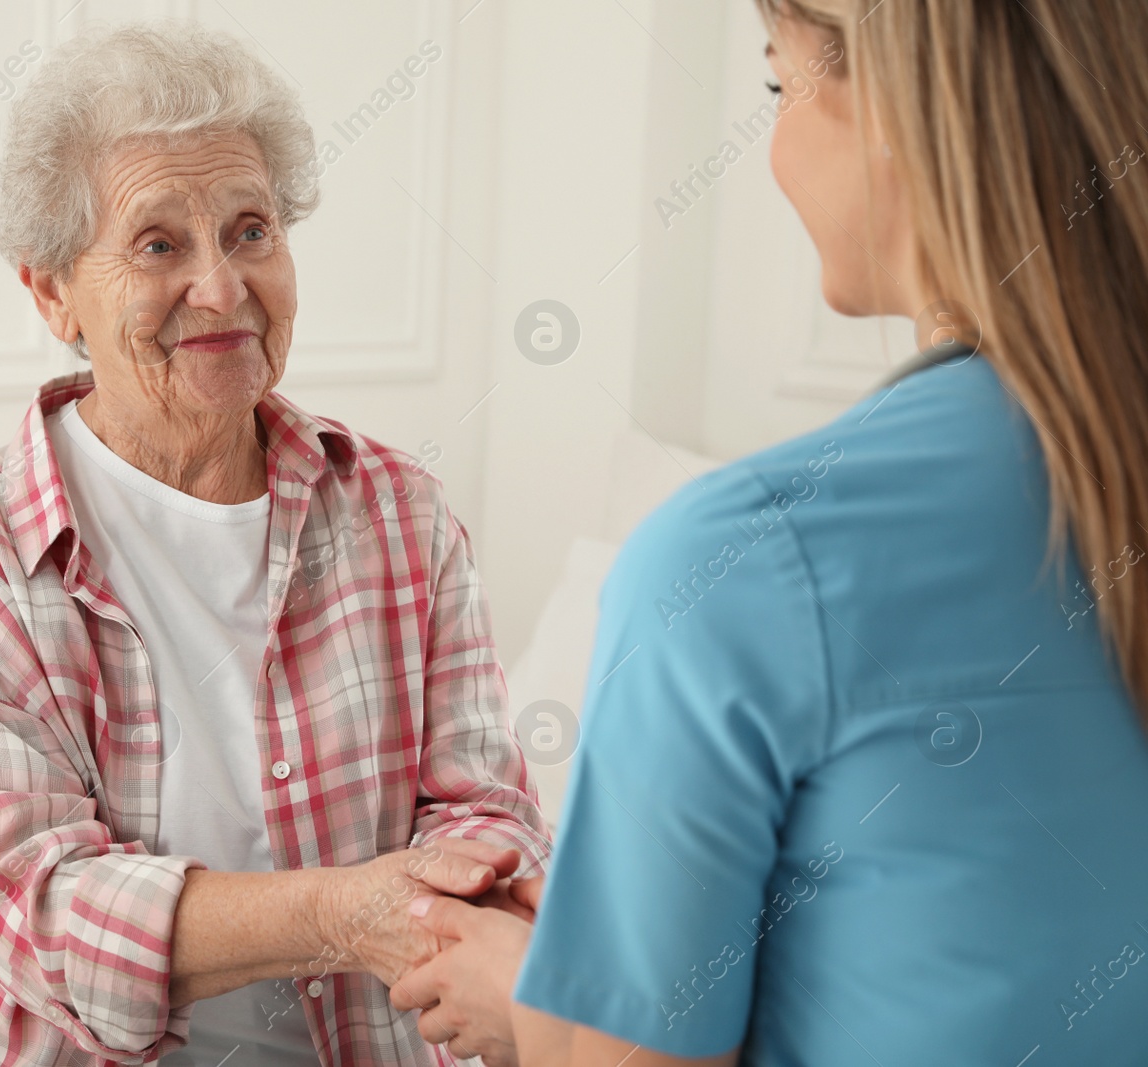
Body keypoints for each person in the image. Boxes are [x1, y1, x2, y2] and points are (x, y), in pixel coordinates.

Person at [394, 1, 1148, 1064]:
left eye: (774, 88)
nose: (776, 152)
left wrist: (530, 1001)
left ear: (891, 109)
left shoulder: (736, 560)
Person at [0, 23, 549, 1067]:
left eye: (251, 230)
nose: (221, 287)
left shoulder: (400, 513)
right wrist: (342, 911)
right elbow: (28, 895)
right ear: (51, 293)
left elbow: (484, 801)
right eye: (159, 244)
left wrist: (467, 881)